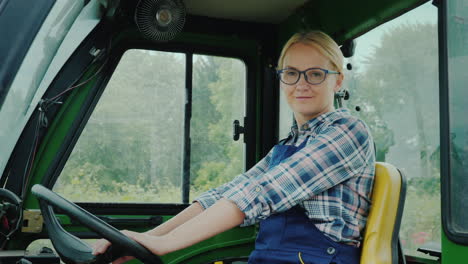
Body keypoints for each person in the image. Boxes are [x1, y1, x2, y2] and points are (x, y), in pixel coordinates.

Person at [92, 30, 375, 264]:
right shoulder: (288, 145)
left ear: (337, 80)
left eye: (315, 74)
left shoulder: (348, 132)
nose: (301, 84)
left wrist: (164, 244)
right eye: (291, 73)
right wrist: (148, 237)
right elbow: (225, 195)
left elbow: (264, 192)